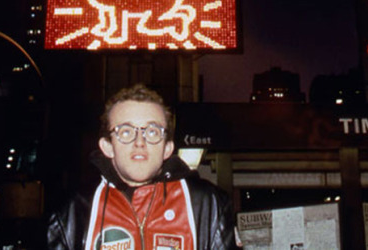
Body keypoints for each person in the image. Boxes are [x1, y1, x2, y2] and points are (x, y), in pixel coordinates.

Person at [47, 84, 237, 249]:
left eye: (152, 132)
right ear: (107, 146)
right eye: (126, 131)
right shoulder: (73, 212)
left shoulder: (208, 204)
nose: (139, 142)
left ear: (167, 148)